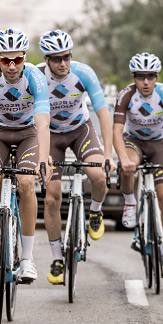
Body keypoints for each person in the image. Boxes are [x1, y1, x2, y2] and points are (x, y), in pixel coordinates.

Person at [36, 30, 116, 284]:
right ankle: (57, 258)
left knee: (99, 177)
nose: (63, 64)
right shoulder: (36, 76)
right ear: (46, 60)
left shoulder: (84, 73)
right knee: (51, 198)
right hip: (50, 136)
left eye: (67, 57)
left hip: (80, 131)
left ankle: (95, 211)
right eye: (57, 59)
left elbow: (103, 114)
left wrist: (108, 154)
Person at [0, 28, 52, 285]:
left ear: (25, 56)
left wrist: (44, 158)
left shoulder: (35, 76)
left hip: (27, 134)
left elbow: (43, 123)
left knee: (27, 182)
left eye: (17, 60)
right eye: (5, 60)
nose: (11, 66)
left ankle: (27, 258)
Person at [113, 52, 163, 275]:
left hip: (158, 144)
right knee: (128, 167)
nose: (146, 82)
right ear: (134, 77)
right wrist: (123, 158)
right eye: (141, 76)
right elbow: (116, 130)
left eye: (151, 76)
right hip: (133, 141)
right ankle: (129, 203)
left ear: (156, 77)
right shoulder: (126, 95)